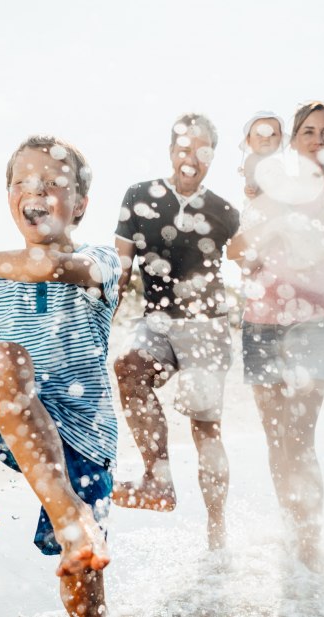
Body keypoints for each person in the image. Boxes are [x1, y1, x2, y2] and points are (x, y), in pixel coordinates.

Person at [0, 134, 121, 617]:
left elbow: (46, 267)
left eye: (52, 183)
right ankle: (70, 517)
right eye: (23, 182)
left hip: (86, 440)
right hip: (18, 424)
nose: (35, 191)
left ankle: (75, 533)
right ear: (9, 199)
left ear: (79, 204)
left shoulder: (101, 262)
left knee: (83, 576)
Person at [226, 101, 324, 569]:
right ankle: (291, 528)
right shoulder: (266, 193)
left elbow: (313, 250)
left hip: (312, 323)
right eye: (309, 132)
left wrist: (272, 219)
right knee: (275, 438)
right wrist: (269, 218)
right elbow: (236, 252)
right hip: (260, 321)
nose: (318, 140)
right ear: (294, 140)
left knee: (300, 438)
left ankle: (310, 542)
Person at [111, 113, 240, 550]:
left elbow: (254, 260)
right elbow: (121, 269)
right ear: (171, 151)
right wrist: (101, 321)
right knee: (128, 367)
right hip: (157, 322)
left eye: (202, 151)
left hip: (208, 326)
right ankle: (157, 480)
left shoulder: (225, 212)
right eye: (184, 149)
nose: (191, 159)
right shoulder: (139, 196)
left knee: (205, 428)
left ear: (212, 157)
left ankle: (217, 531)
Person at [238, 110, 286, 200]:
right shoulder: (252, 159)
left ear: (280, 139)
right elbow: (251, 181)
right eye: (259, 134)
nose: (265, 139)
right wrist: (249, 189)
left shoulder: (278, 162)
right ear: (249, 140)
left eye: (272, 134)